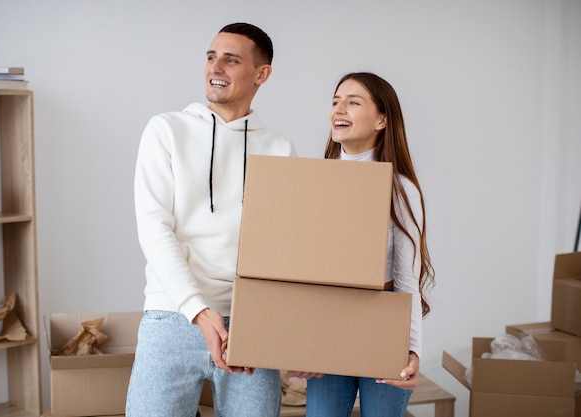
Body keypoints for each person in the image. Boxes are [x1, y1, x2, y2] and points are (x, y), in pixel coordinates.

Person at [126, 23, 296, 417]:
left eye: (231, 59)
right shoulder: (166, 129)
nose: (215, 66)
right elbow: (154, 228)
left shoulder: (280, 149)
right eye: (210, 56)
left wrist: (268, 323)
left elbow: (281, 248)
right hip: (172, 313)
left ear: (261, 74)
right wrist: (198, 310)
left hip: (249, 323)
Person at [302, 72, 435, 417]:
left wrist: (412, 350)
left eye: (352, 102)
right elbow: (302, 270)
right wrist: (300, 342)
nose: (338, 109)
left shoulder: (401, 188)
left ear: (382, 119)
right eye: (335, 101)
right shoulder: (315, 181)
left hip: (382, 316)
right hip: (329, 316)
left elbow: (407, 279)